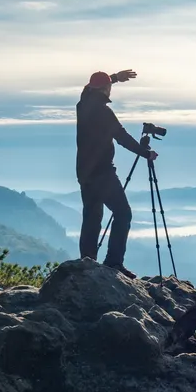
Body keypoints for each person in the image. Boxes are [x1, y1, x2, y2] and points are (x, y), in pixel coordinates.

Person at [76, 69, 158, 279]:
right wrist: (145, 153)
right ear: (105, 89)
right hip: (102, 172)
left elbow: (87, 90)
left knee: (92, 217)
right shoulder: (104, 112)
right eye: (109, 86)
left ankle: (87, 262)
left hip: (84, 173)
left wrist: (113, 78)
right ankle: (114, 262)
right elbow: (122, 137)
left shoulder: (82, 105)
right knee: (123, 213)